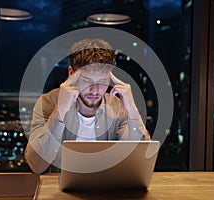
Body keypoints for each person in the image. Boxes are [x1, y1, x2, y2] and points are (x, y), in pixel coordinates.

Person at [25, 38, 150, 174]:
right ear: (71, 73)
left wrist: (132, 109)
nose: (95, 90)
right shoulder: (48, 103)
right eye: (86, 81)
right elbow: (36, 166)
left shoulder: (117, 106)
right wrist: (59, 112)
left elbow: (139, 161)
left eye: (102, 81)